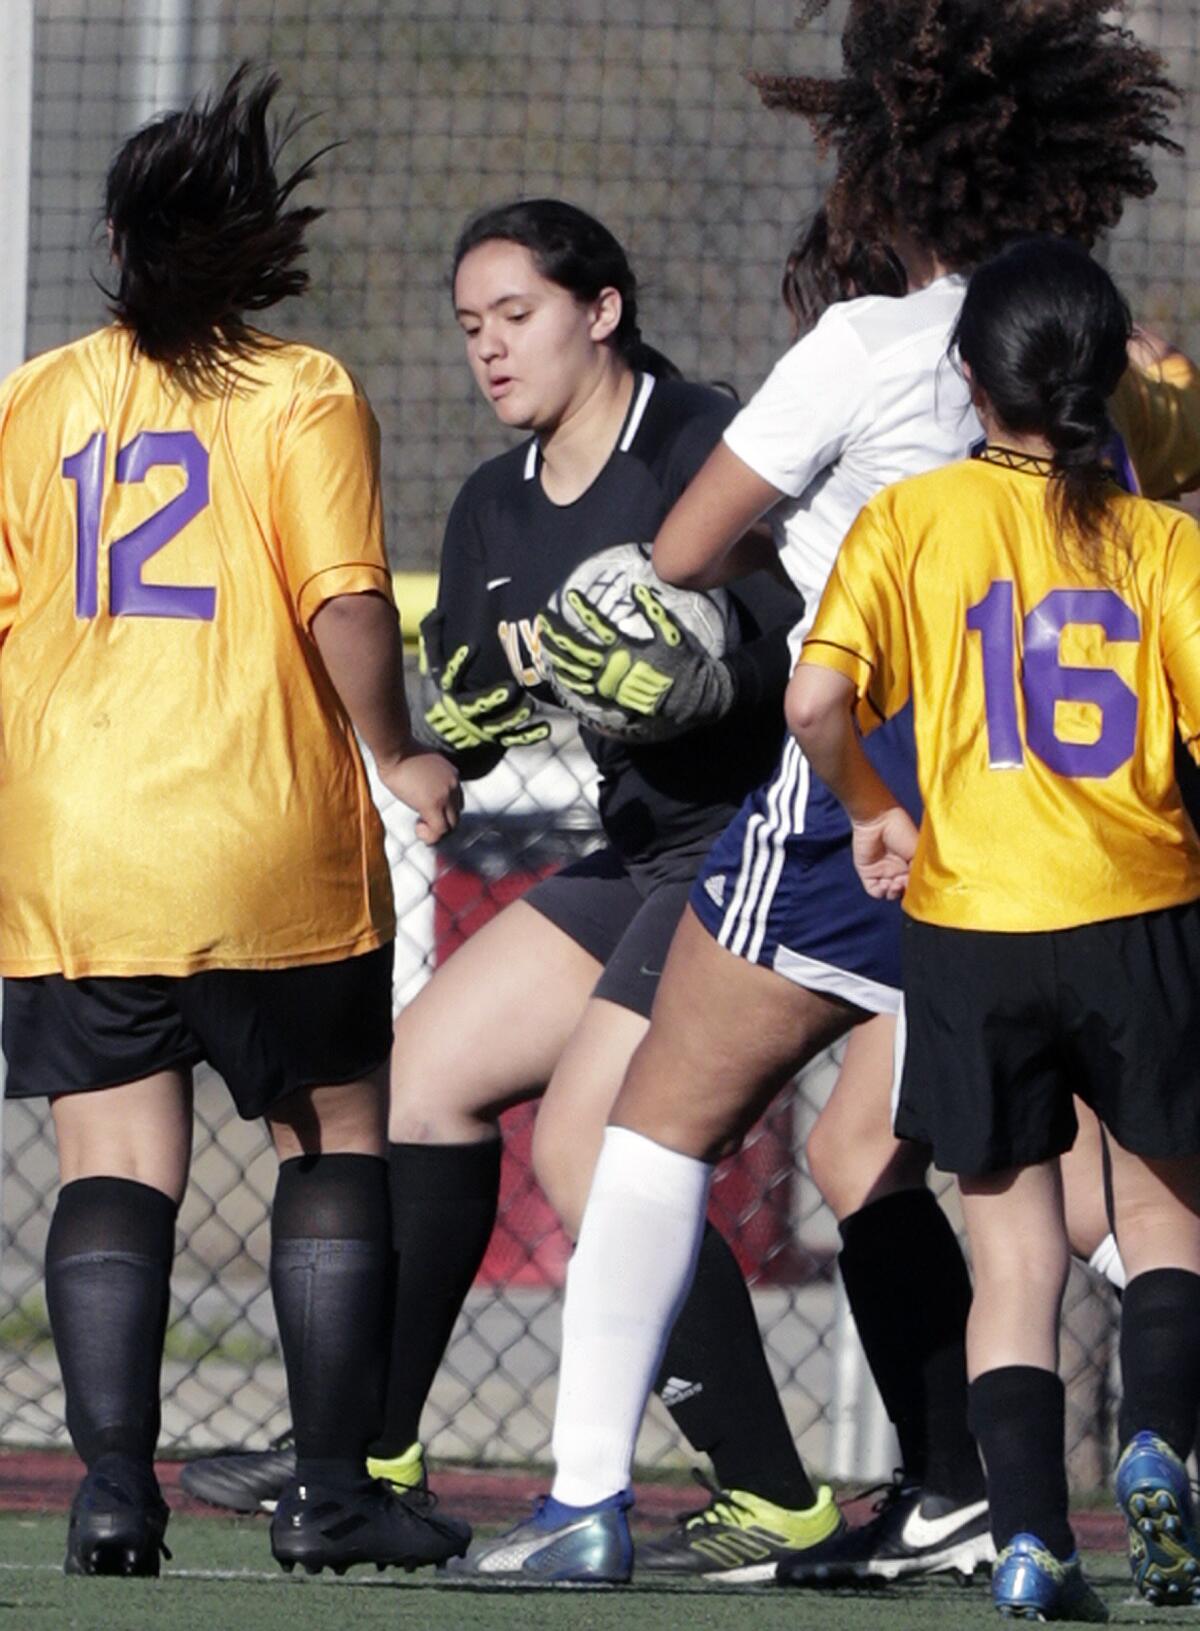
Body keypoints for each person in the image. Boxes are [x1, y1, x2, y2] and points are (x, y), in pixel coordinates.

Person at [453, 0, 1188, 1584]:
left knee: (658, 1124)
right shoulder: (1113, 364)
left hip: (874, 781)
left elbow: (675, 561)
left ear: (886, 172)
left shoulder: (863, 348)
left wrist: (663, 632)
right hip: (1067, 816)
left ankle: (587, 1502)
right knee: (1012, 1175)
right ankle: (1004, 1480)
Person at [0, 67, 465, 1579]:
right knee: (330, 1137)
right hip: (265, 834)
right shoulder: (304, 388)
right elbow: (342, 602)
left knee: (114, 1164)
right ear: (254, 242)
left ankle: (114, 1499)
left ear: (121, 246)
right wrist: (395, 755)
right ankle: (331, 1496)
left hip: (74, 842)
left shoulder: (41, 396)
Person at [790, 233, 1200, 1621]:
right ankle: (1160, 1438)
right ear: (1108, 380)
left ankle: (1030, 1541)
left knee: (1012, 1254)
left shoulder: (916, 519)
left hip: (971, 928)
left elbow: (814, 704)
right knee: (1162, 1219)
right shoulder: (1164, 541)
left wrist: (872, 809)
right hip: (1142, 910)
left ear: (972, 377)